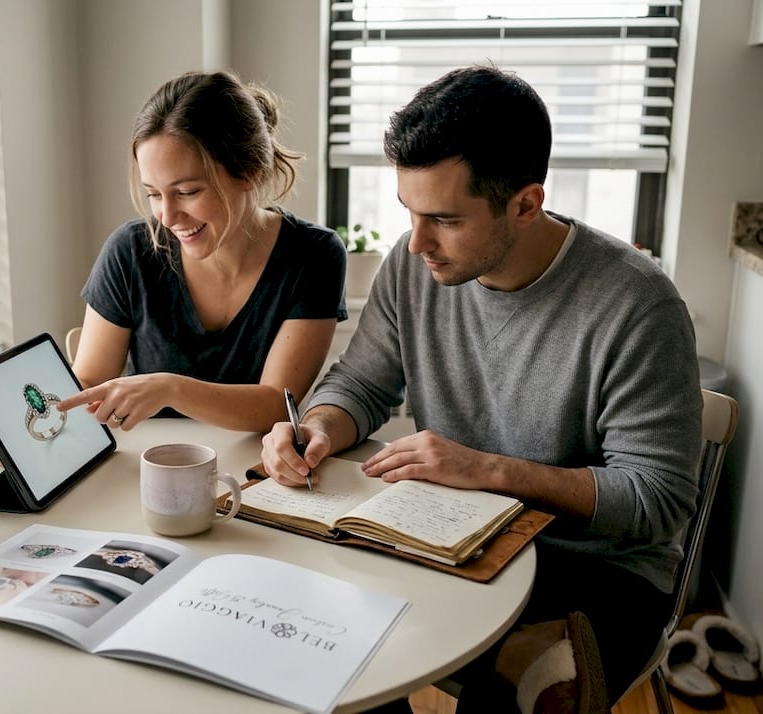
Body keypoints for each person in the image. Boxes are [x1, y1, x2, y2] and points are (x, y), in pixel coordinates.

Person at [260, 65, 702, 714]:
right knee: (328, 651)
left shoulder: (636, 304)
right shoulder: (413, 269)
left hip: (595, 571)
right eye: (410, 213)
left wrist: (488, 470)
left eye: (443, 219)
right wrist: (319, 426)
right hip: (456, 539)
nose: (417, 244)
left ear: (525, 204)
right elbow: (360, 381)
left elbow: (657, 498)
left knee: (530, 688)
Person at [57, 69, 347, 433]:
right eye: (153, 194)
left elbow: (274, 404)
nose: (167, 216)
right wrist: (38, 427)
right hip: (147, 469)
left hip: (251, 475)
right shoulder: (129, 251)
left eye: (188, 192)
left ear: (251, 171)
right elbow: (88, 384)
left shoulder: (314, 256)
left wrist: (170, 388)